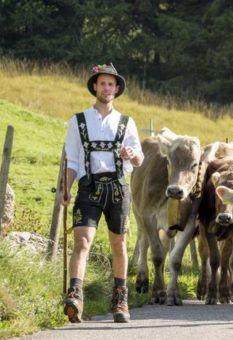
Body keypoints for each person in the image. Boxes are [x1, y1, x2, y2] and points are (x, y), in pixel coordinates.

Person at [60, 63, 143, 323]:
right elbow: (72, 160)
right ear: (94, 87)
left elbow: (139, 158)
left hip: (118, 188)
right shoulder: (78, 121)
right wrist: (65, 189)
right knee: (82, 242)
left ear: (117, 89)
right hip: (89, 188)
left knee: (118, 244)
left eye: (111, 84)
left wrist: (132, 154)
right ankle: (75, 295)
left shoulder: (127, 123)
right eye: (102, 83)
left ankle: (121, 300)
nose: (106, 88)